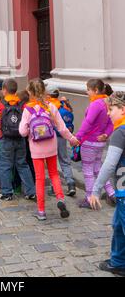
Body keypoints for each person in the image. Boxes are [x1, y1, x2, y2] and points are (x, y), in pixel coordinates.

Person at [19, 79, 79, 221]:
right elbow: (62, 128)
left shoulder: (28, 109)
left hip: (36, 148)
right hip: (51, 146)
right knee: (54, 174)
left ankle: (41, 211)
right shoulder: (51, 106)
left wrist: (29, 129)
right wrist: (72, 139)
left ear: (30, 93)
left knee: (40, 178)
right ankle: (60, 198)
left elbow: (22, 131)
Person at [89, 92, 125, 277]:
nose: (109, 114)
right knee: (118, 225)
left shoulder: (120, 132)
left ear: (123, 109)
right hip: (121, 192)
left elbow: (110, 163)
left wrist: (95, 190)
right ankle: (118, 262)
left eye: (111, 109)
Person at [0, 79, 36, 202]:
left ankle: (7, 192)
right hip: (20, 138)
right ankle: (30, 191)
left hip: (6, 139)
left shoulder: (1, 104)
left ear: (4, 90)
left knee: (5, 165)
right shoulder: (22, 104)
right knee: (22, 164)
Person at [76, 79, 115, 209]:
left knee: (88, 171)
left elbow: (88, 122)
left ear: (96, 90)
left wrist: (78, 137)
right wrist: (106, 134)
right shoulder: (107, 102)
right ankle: (112, 193)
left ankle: (89, 199)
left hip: (89, 142)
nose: (87, 92)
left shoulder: (96, 104)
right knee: (98, 169)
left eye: (88, 89)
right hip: (100, 142)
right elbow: (111, 123)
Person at [47, 87, 76, 197]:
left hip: (50, 137)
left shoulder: (48, 106)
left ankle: (54, 187)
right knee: (64, 160)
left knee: (51, 162)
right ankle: (71, 183)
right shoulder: (64, 107)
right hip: (62, 138)